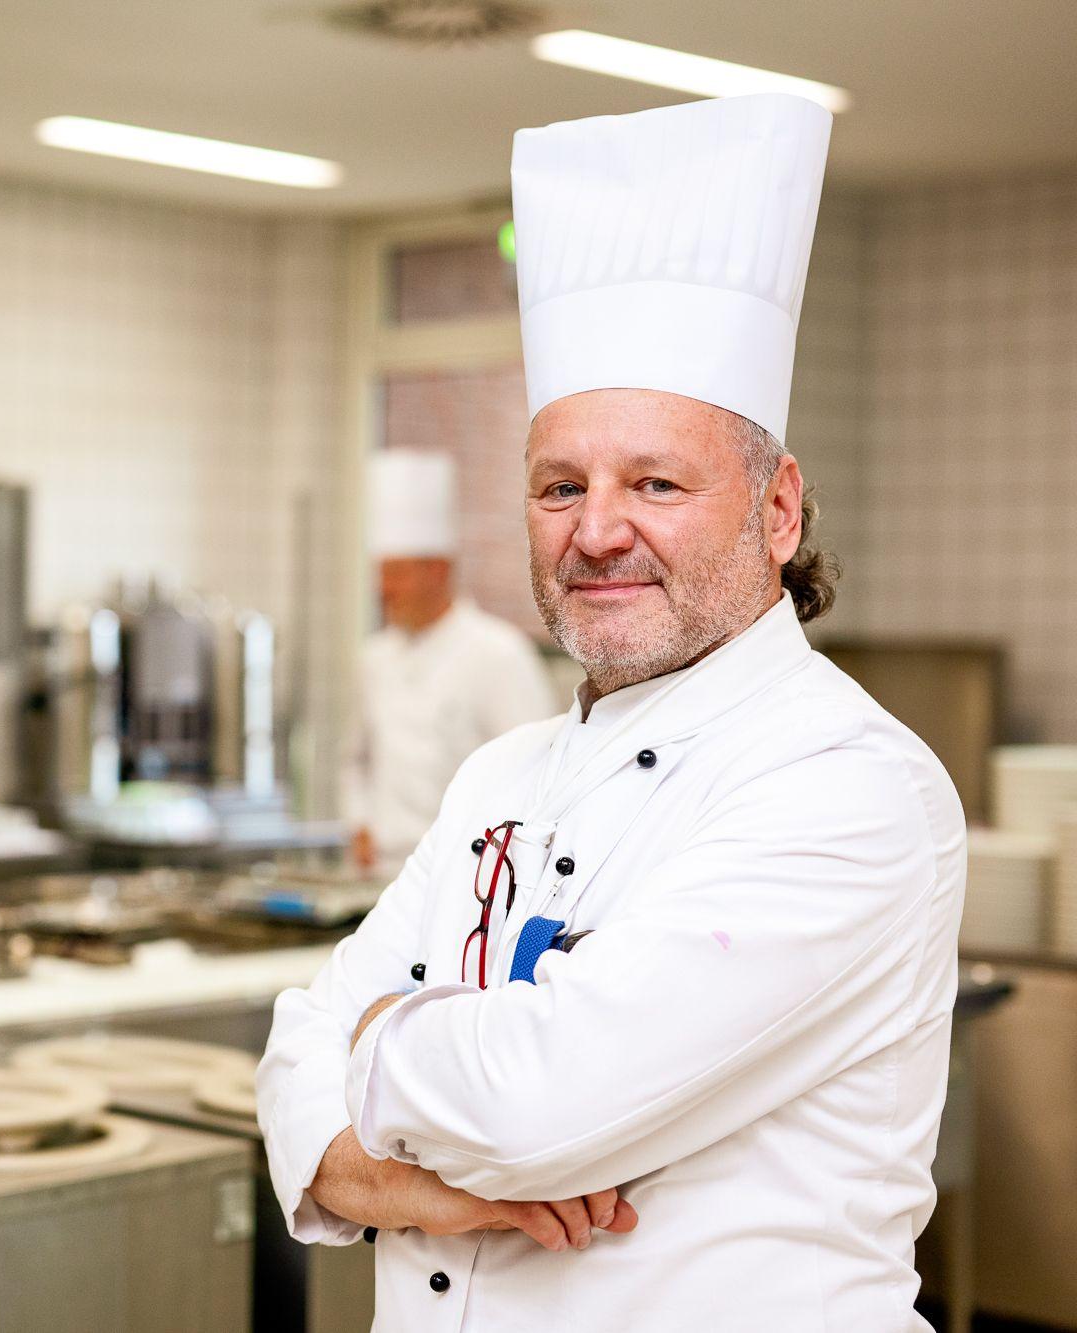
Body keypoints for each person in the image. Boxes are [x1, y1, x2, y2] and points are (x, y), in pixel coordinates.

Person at [258, 93, 965, 1331]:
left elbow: (533, 1106)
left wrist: (374, 1037)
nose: (595, 531)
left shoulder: (845, 781)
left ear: (777, 510)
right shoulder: (500, 776)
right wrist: (380, 1161)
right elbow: (292, 1052)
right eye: (557, 486)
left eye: (655, 482)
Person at [343, 450, 557, 871]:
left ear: (437, 571)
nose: (384, 590)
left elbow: (535, 772)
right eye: (380, 575)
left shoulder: (498, 653)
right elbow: (355, 760)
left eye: (396, 574)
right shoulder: (373, 659)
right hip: (380, 872)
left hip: (464, 872)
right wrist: (359, 821)